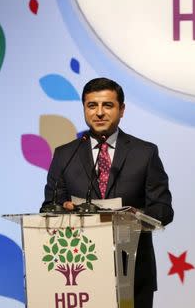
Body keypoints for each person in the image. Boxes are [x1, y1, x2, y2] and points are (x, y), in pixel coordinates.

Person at [41, 77, 174, 308]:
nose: (99, 113)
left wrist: (136, 215)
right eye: (92, 105)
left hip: (132, 272)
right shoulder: (64, 155)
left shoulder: (145, 153)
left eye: (108, 105)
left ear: (122, 110)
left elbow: (164, 210)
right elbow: (48, 207)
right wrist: (63, 210)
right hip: (79, 275)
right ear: (84, 108)